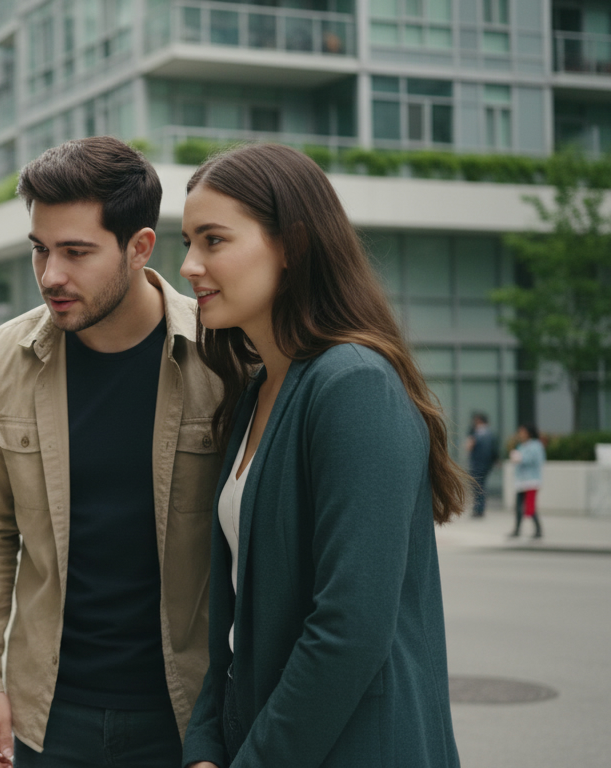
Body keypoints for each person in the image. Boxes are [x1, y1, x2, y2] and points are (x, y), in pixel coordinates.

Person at [177, 144, 463, 767]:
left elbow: (349, 630)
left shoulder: (354, 384)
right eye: (187, 242)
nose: (190, 266)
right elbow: (233, 620)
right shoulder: (256, 393)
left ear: (293, 245)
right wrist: (203, 746)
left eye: (213, 241)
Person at [0, 136, 222, 768]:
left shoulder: (221, 352)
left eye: (76, 252)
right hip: (47, 714)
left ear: (140, 248)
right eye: (41, 250)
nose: (51, 275)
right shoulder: (3, 357)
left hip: (192, 710)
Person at [509, 423, 544, 539]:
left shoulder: (536, 445)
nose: (520, 434)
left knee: (530, 507)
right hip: (521, 481)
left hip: (531, 481)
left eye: (522, 432)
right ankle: (517, 530)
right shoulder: (521, 445)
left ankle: (538, 530)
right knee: (518, 507)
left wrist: (520, 458)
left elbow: (536, 461)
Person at [465, 412, 498, 517]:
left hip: (477, 464)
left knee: (478, 487)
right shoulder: (490, 434)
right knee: (481, 486)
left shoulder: (476, 433)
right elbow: (494, 450)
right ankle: (480, 508)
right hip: (487, 464)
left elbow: (469, 447)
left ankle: (478, 509)